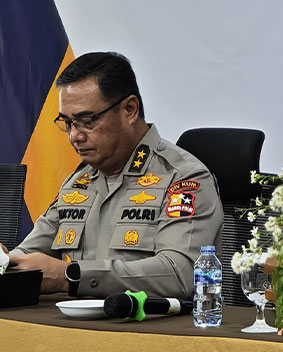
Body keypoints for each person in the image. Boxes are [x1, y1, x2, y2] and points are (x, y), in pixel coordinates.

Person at [1, 52, 223, 299]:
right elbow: (30, 253)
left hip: (147, 322)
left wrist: (70, 276)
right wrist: (6, 261)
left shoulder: (182, 178)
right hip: (71, 321)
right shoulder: (78, 182)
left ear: (129, 109)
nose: (75, 136)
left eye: (87, 120)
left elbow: (180, 274)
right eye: (68, 123)